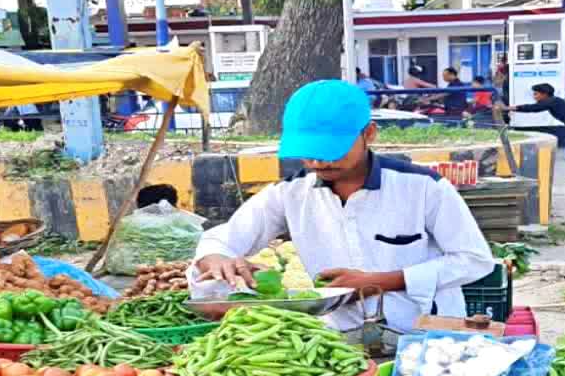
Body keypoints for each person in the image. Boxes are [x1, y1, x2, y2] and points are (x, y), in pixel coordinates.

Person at [190, 80, 494, 333]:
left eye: (330, 149)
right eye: (308, 152)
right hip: (341, 338)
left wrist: (380, 281)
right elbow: (224, 238)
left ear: (369, 133)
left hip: (424, 334)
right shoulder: (289, 194)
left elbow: (474, 259)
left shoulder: (424, 188)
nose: (318, 161)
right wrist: (217, 258)